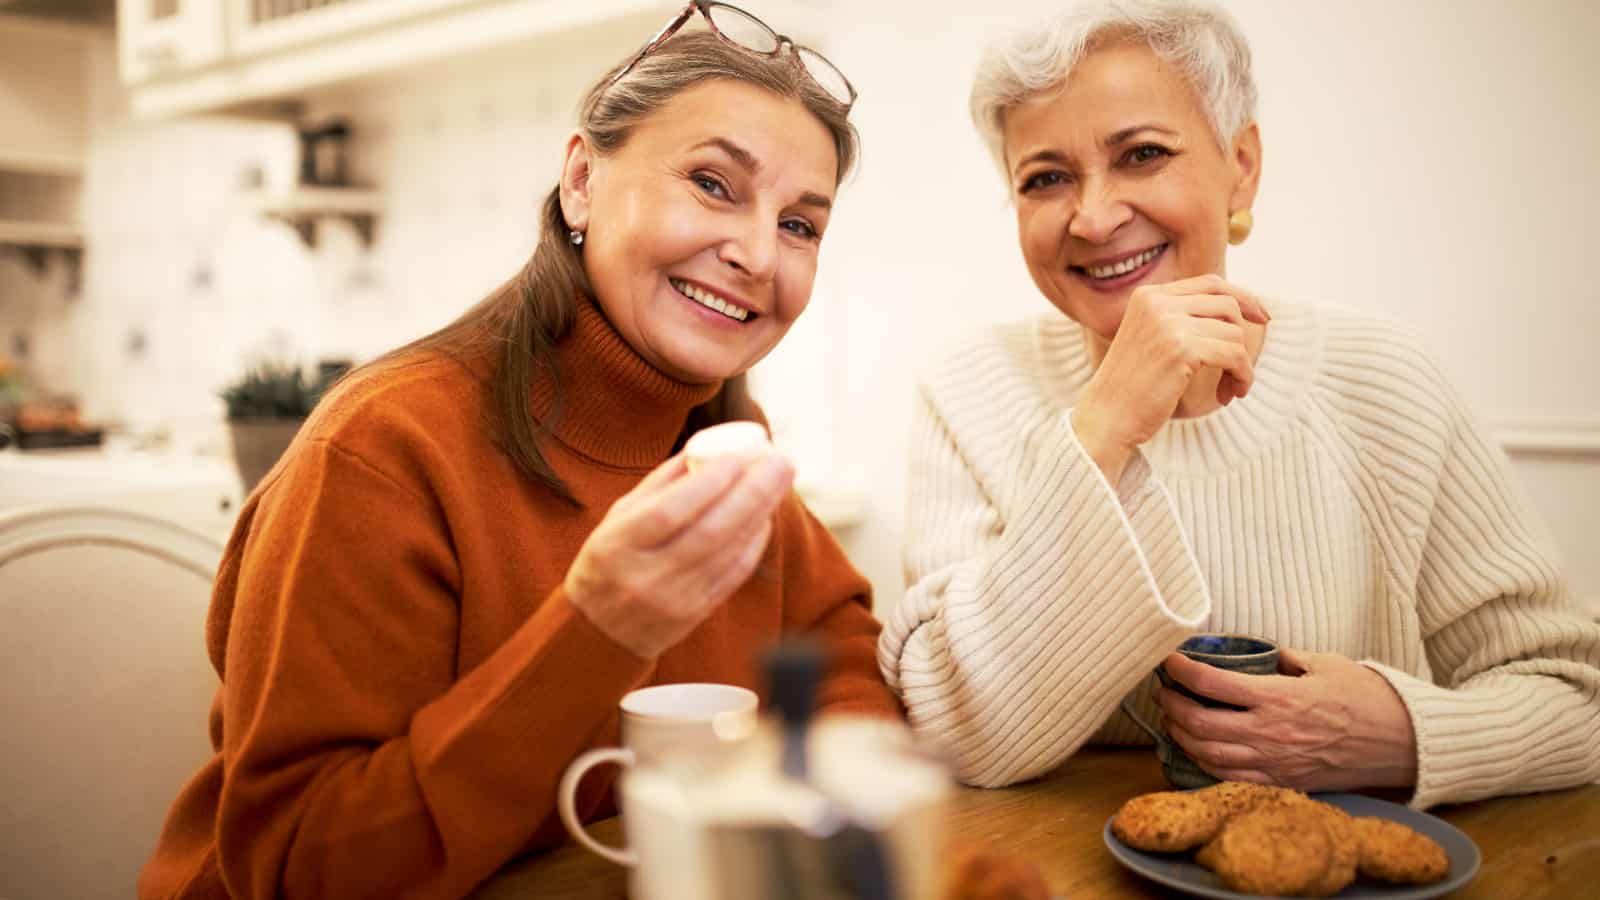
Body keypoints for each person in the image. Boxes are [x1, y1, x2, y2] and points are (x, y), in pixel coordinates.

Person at [141, 7, 898, 898]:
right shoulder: (383, 450)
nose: (758, 253)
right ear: (582, 180)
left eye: (802, 226)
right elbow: (306, 866)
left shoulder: (718, 449)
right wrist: (598, 630)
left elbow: (841, 656)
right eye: (712, 183)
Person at [878, 0, 1600, 808]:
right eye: (1045, 178)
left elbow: (1577, 698)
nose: (1095, 215)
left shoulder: (1384, 379)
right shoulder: (967, 387)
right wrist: (1103, 425)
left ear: (1241, 166)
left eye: (1142, 154)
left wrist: (1401, 732)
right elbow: (955, 733)